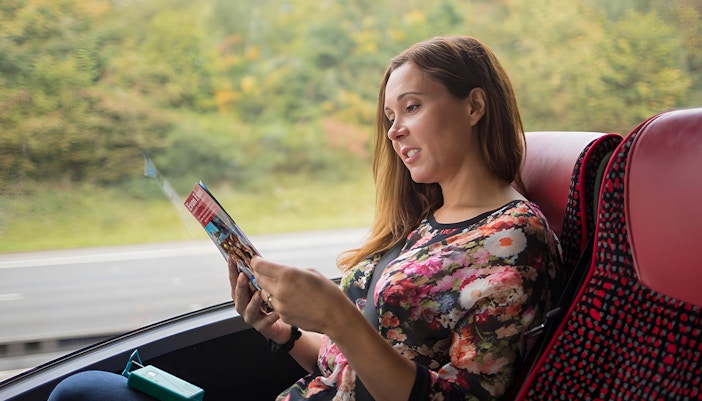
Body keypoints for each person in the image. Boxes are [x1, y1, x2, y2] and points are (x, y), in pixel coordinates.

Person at [47, 35, 561, 401]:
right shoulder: (425, 221)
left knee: (81, 390)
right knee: (81, 388)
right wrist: (284, 331)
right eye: (389, 117)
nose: (395, 131)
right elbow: (348, 370)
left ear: (474, 106)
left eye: (411, 107)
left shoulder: (514, 239)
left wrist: (338, 315)